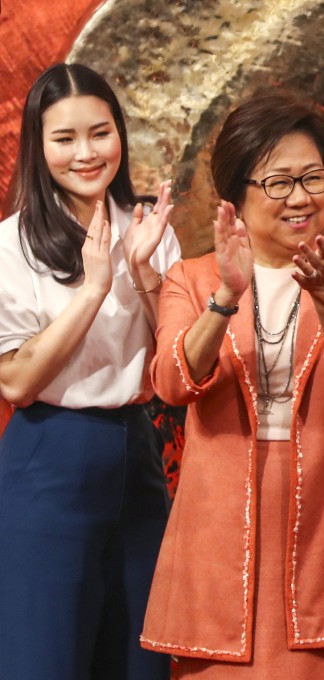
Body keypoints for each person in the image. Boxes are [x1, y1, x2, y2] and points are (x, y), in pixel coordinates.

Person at [139, 91, 324, 678]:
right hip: (216, 526)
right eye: (279, 182)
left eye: (313, 178)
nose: (301, 197)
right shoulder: (192, 277)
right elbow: (173, 381)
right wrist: (226, 299)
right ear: (237, 194)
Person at [0, 63, 179, 679]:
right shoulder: (10, 245)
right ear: (37, 145)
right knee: (43, 659)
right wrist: (96, 286)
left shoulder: (152, 227)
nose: (86, 153)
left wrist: (147, 273)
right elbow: (17, 382)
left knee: (140, 662)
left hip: (139, 455)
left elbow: (181, 359)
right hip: (47, 462)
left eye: (100, 133)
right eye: (64, 138)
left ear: (120, 135)